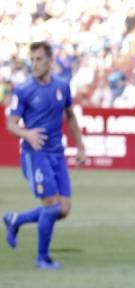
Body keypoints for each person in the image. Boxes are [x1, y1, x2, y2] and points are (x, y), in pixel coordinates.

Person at [4, 41, 86, 269]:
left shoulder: (62, 86)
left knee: (63, 209)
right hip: (34, 154)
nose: (35, 64)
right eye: (32, 60)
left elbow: (70, 116)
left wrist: (80, 146)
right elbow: (10, 124)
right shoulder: (23, 90)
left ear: (50, 61)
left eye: (39, 59)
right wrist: (27, 134)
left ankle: (16, 220)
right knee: (51, 204)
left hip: (57, 155)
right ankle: (42, 257)